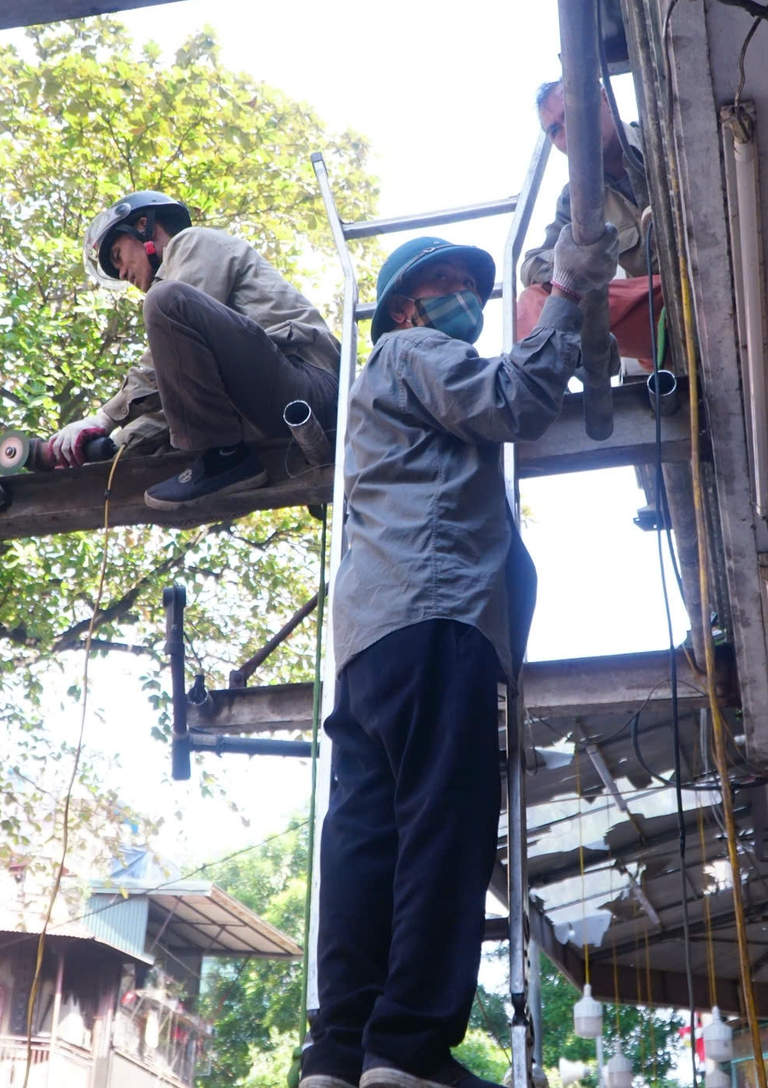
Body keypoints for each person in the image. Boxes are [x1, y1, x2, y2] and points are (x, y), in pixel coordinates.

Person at [301, 220, 616, 1088]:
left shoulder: (374, 391)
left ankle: (340, 1050)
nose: (468, 300)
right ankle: (406, 1046)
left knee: (370, 837)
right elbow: (513, 400)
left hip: (370, 641)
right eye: (450, 283)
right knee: (447, 821)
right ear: (407, 305)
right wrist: (558, 298)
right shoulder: (411, 352)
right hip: (436, 612)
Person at [43, 191, 341, 509]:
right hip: (270, 406)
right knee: (165, 312)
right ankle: (224, 460)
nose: (122, 273)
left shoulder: (191, 243)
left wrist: (103, 418)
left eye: (118, 255)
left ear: (143, 226)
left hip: (308, 385)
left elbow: (157, 363)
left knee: (165, 300)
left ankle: (225, 457)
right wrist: (112, 445)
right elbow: (177, 401)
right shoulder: (192, 338)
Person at [516, 79, 648, 289]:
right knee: (533, 300)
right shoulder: (574, 199)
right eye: (555, 131)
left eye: (569, 114)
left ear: (605, 99)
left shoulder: (663, 140)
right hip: (661, 308)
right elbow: (530, 266)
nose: (569, 133)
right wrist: (572, 260)